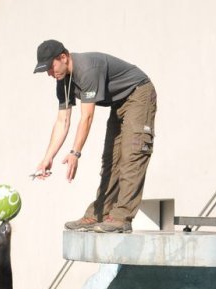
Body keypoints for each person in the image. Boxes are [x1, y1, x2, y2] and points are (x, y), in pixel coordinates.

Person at [33, 39, 157, 233]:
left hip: (138, 94)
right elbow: (62, 121)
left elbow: (87, 117)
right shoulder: (62, 81)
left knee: (132, 154)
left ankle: (121, 217)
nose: (49, 73)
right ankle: (99, 213)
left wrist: (75, 152)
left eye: (50, 67)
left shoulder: (87, 69)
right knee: (111, 159)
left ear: (63, 57)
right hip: (119, 103)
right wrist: (48, 157)